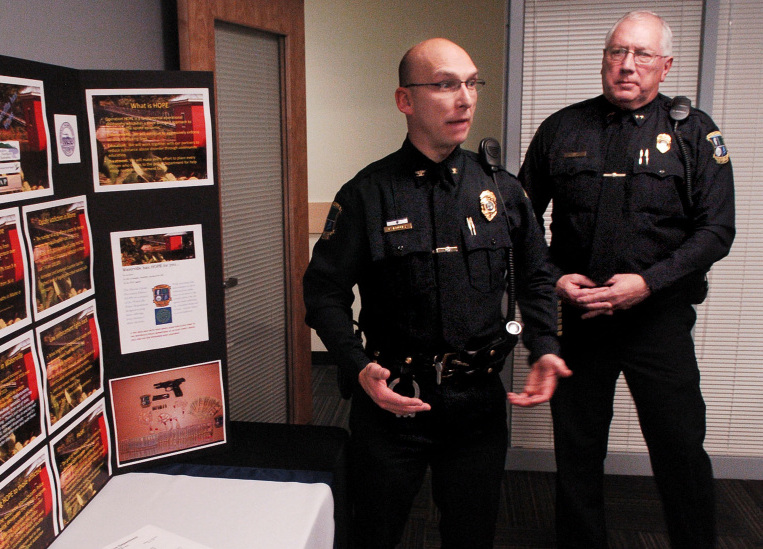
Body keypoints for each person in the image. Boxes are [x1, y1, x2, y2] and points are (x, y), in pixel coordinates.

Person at [303, 38, 569, 549]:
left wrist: (547, 347)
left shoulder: (503, 192)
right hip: (393, 401)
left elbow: (537, 276)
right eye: (446, 84)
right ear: (405, 100)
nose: (464, 98)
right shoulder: (368, 194)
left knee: (471, 535)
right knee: (371, 533)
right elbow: (323, 292)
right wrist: (357, 364)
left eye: (471, 83)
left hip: (478, 405)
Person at [519, 11, 736, 549]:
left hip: (657, 321)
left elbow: (716, 230)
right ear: (603, 60)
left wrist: (648, 283)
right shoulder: (561, 128)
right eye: (617, 52)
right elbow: (520, 226)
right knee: (577, 451)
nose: (626, 65)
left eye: (641, 55)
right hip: (580, 319)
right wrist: (554, 278)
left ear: (665, 67)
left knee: (680, 449)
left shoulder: (695, 132)